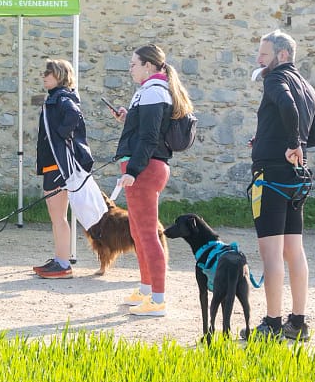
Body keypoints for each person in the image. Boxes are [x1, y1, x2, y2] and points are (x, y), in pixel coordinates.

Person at [242, 30, 315, 341]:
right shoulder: (308, 87)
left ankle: (272, 324)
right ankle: (298, 323)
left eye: (263, 54)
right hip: (296, 178)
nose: (258, 59)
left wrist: (290, 142)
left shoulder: (275, 78)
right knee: (294, 251)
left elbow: (287, 106)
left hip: (271, 176)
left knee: (272, 253)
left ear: (282, 55)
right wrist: (276, 139)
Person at [112, 43, 194, 316]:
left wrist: (133, 171)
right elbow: (148, 131)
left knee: (146, 234)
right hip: (145, 167)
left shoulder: (153, 92)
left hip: (145, 169)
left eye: (133, 64)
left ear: (148, 66)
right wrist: (128, 119)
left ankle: (157, 300)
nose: (130, 69)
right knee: (138, 232)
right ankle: (147, 289)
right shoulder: (150, 91)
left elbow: (149, 139)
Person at [33, 59, 95, 279]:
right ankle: (60, 259)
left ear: (59, 75)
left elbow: (74, 116)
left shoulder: (61, 98)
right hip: (53, 164)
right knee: (57, 216)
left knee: (58, 216)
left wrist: (60, 136)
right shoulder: (58, 97)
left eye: (48, 72)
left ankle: (63, 263)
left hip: (57, 165)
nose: (44, 76)